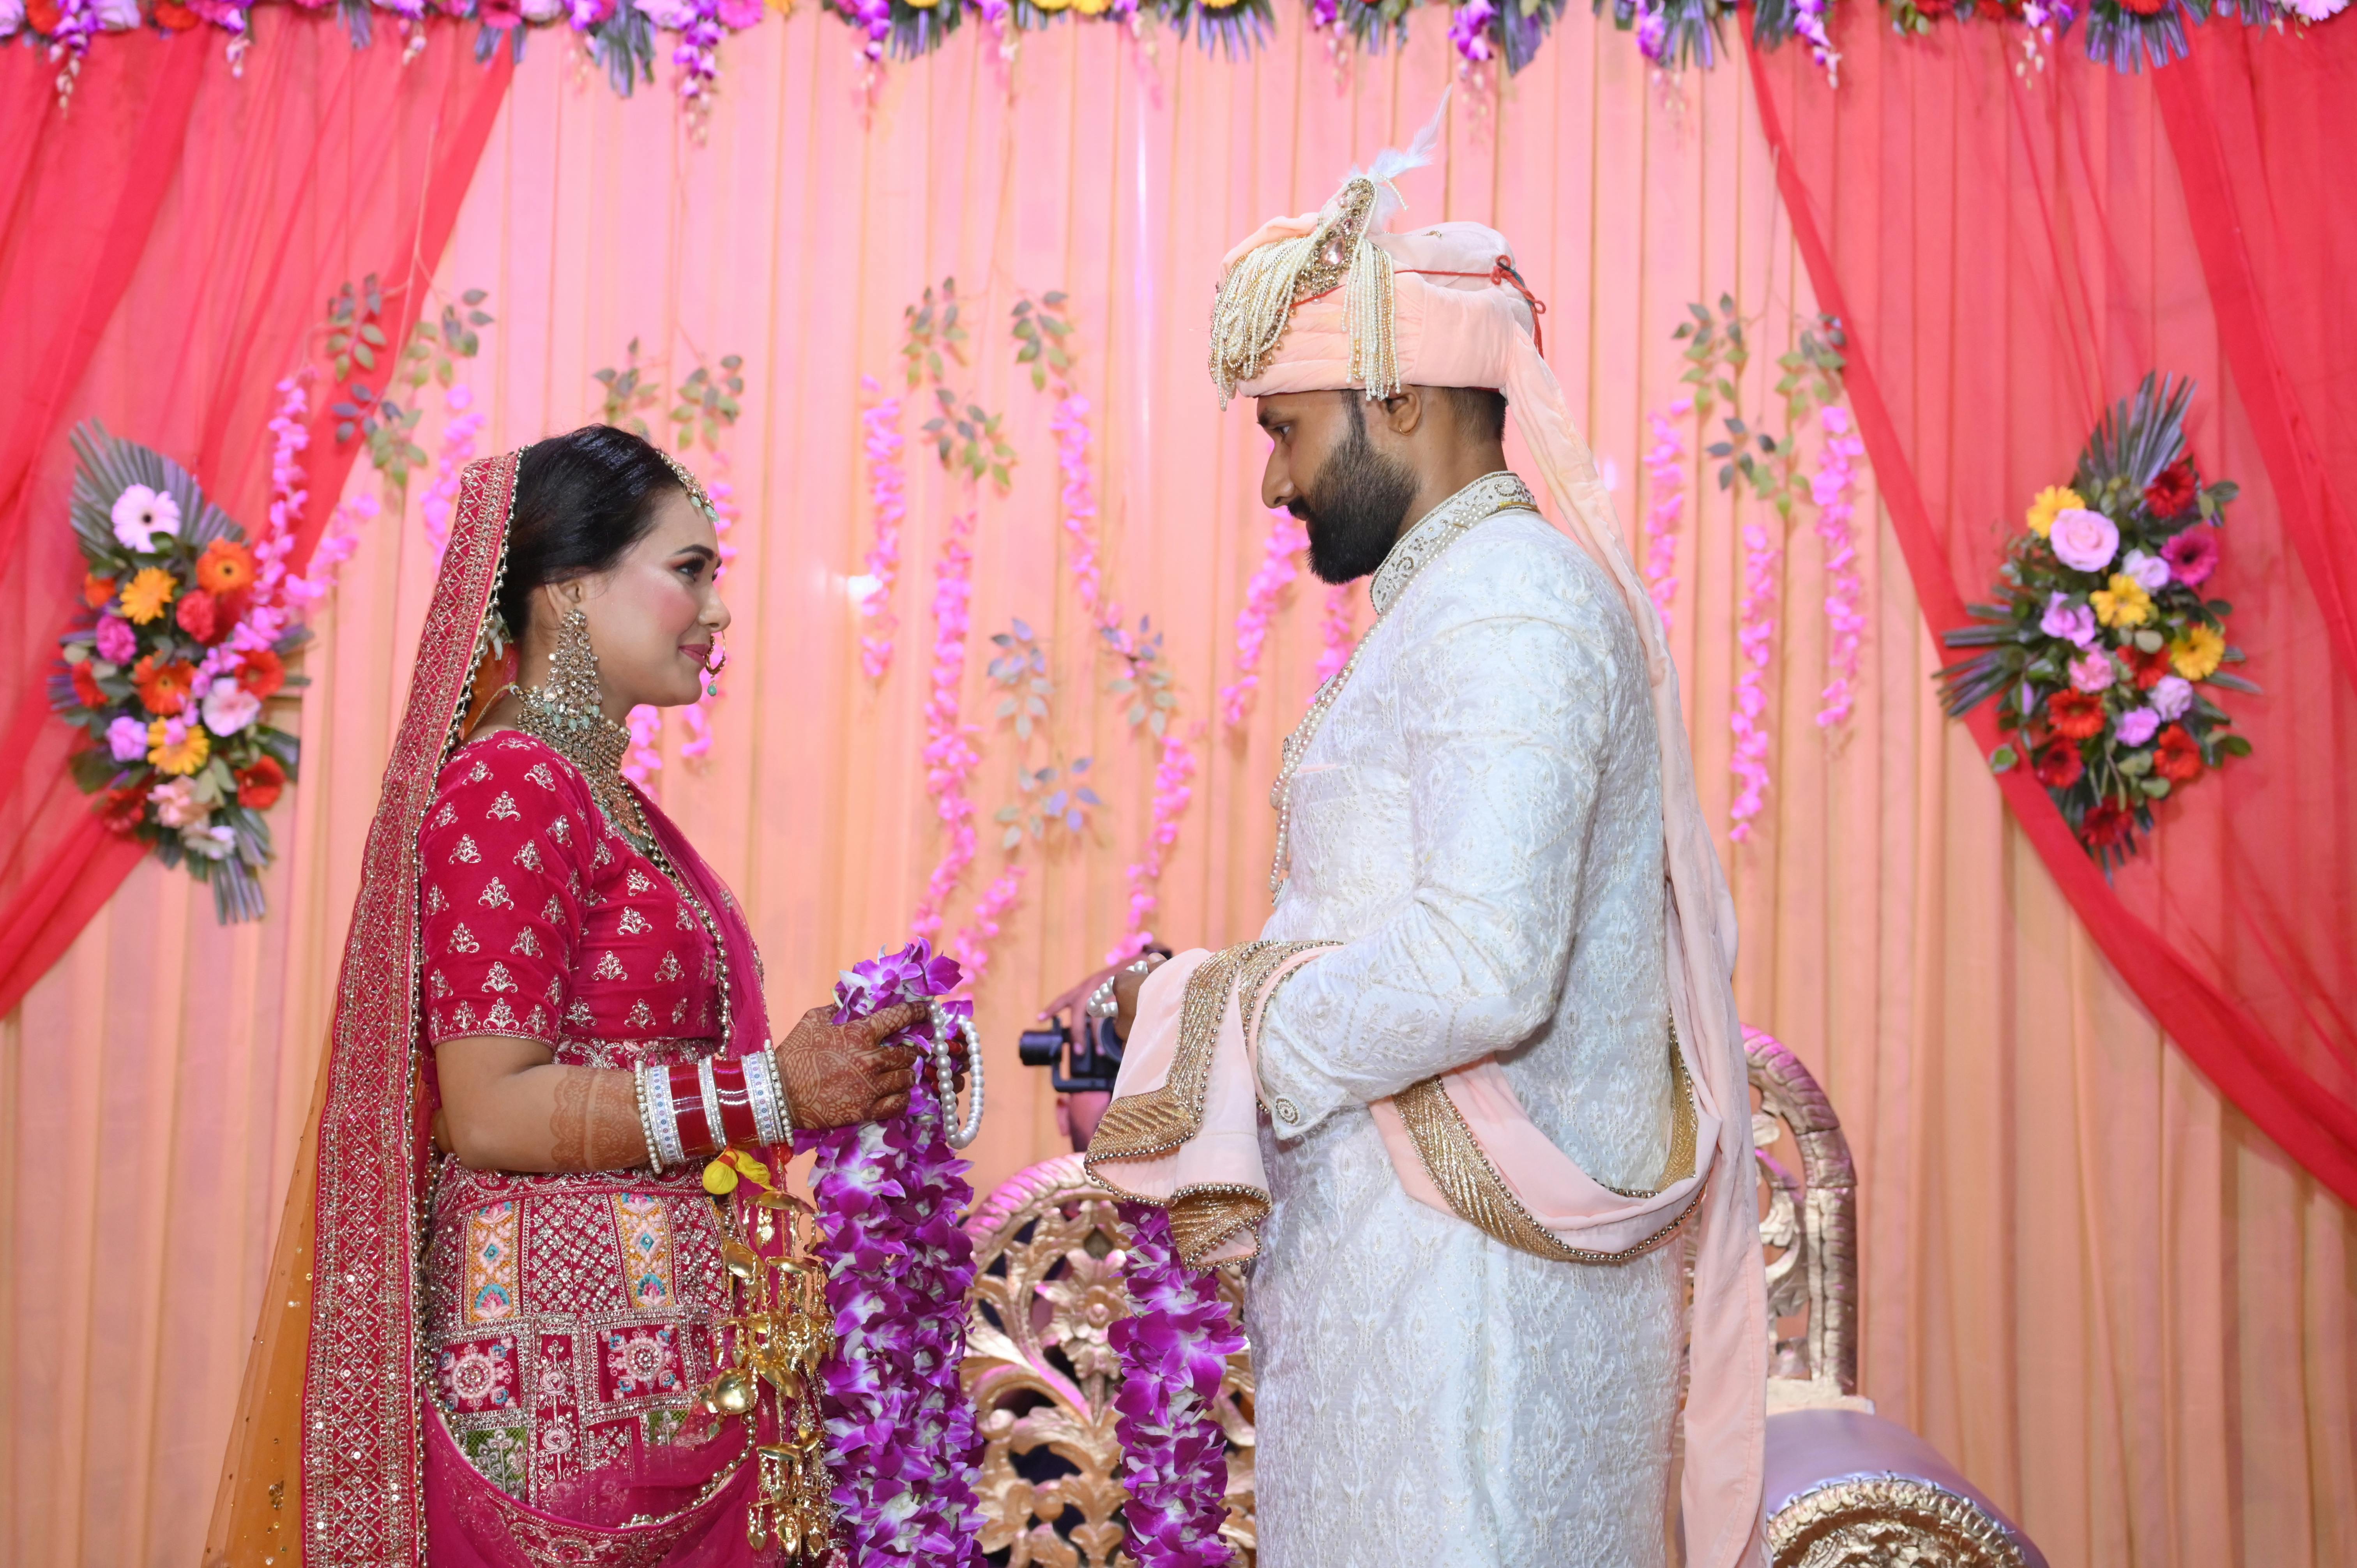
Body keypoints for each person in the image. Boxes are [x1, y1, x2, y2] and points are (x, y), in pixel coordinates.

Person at [1095, 125, 1767, 1567]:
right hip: (1415, 1292)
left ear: (1393, 399)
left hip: (1473, 1336)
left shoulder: (1509, 606)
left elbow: (1482, 966)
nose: (1274, 485)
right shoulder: (1458, 600)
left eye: (1284, 429)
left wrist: (1210, 1024)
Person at [206, 428, 931, 1568]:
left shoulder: (603, 799)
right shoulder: (508, 784)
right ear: (570, 589)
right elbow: (489, 1109)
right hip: (560, 1410)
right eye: (689, 570)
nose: (719, 611)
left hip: (654, 1381)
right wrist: (766, 1092)